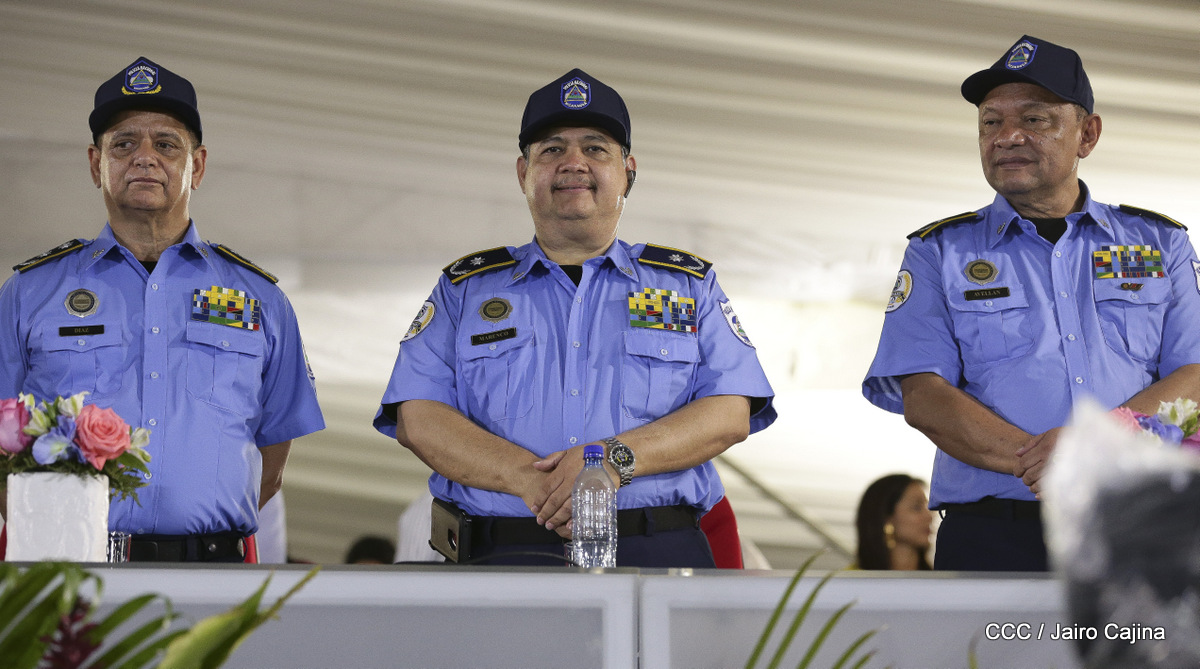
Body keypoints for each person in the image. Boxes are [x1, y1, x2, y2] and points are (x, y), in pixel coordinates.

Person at [374, 68, 776, 568]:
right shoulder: (464, 290)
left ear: (628, 171)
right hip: (503, 554)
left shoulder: (686, 286)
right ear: (523, 173)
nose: (573, 163)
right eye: (552, 149)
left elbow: (730, 410)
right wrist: (529, 480)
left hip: (654, 551)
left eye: (595, 148)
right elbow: (418, 418)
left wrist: (612, 461)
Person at [862, 36, 1200, 571]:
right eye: (990, 122)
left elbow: (1195, 373)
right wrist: (1049, 462)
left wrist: (1100, 445)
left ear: (1088, 134)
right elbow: (923, 394)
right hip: (993, 531)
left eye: (1035, 119)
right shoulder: (938, 251)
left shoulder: (1161, 243)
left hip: (1137, 520)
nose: (1007, 136)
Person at [0, 57, 325, 562]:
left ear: (198, 166)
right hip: (70, 566)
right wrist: (46, 527)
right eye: (124, 144)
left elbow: (273, 455)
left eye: (167, 144)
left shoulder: (260, 298)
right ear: (96, 164)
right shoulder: (29, 292)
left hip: (214, 570)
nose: (145, 158)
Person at [854, 474, 933, 571]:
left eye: (928, 507)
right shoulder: (850, 578)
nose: (929, 517)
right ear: (886, 518)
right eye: (917, 507)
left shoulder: (941, 578)